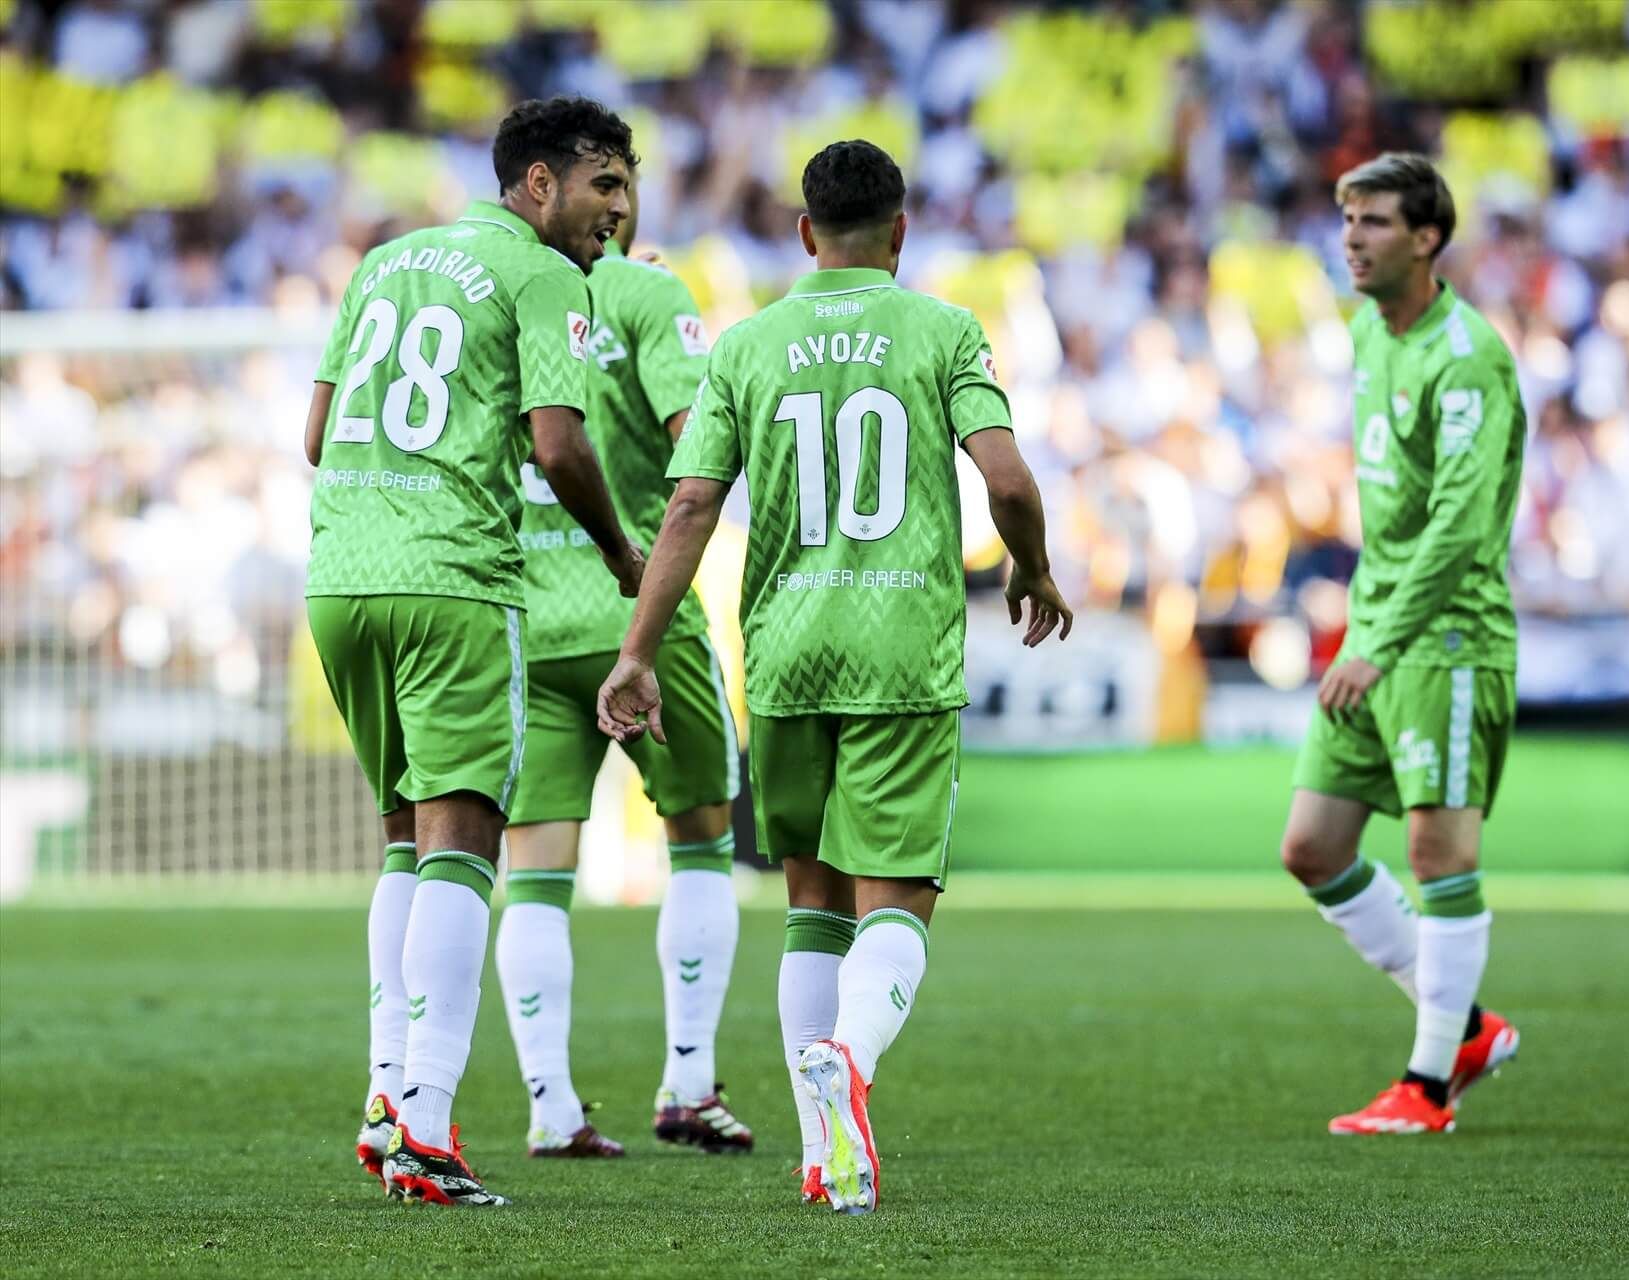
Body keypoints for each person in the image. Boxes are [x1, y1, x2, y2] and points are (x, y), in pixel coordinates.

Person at [597, 139, 1072, 1214]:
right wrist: (1034, 568)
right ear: (899, 233)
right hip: (903, 648)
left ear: (806, 233)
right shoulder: (944, 328)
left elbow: (689, 507)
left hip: (789, 652)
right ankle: (846, 1061)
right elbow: (1006, 476)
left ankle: (829, 1154)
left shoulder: (748, 343)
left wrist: (639, 648)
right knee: (896, 898)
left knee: (811, 902)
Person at [305, 95, 643, 1206]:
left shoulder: (384, 261)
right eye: (603, 183)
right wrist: (623, 553)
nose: (620, 208)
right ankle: (428, 1125)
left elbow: (313, 436)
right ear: (537, 183)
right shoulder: (545, 276)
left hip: (344, 577)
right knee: (462, 841)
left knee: (404, 837)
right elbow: (558, 440)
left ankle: (384, 1090)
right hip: (453, 580)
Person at [495, 202, 752, 1160]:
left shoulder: (502, 293)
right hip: (639, 611)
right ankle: (687, 1082)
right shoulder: (647, 291)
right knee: (700, 841)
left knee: (535, 876)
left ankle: (551, 1107)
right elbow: (700, 447)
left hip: (529, 617)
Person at [1279, 152, 1525, 1135]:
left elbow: (1461, 527)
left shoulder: (1467, 354)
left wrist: (1374, 636)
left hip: (1448, 635)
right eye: (1348, 221)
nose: (1353, 239)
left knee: (1436, 844)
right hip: (1377, 627)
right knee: (1311, 845)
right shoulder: (1371, 337)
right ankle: (1461, 1023)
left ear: (1427, 238)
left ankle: (1426, 1084)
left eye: (1375, 222)